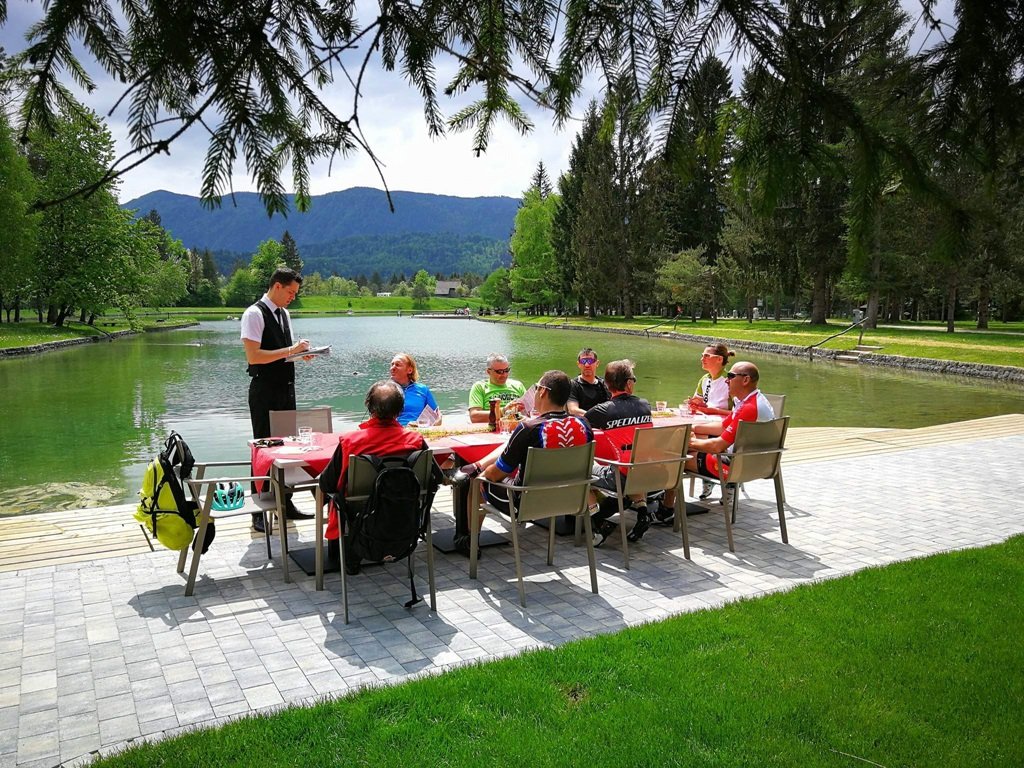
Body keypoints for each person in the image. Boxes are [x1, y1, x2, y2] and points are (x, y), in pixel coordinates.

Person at [454, 370, 593, 555]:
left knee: (476, 480)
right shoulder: (584, 425)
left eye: (536, 388)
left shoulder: (529, 428)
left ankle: (471, 542)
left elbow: (496, 474)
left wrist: (481, 472)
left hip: (524, 503)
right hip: (570, 500)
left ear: (542, 391)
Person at [317, 381, 440, 575]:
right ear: (400, 411)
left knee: (332, 494)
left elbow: (326, 483)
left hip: (358, 511)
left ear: (368, 406)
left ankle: (346, 553)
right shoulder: (415, 439)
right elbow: (436, 478)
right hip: (402, 508)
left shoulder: (351, 441)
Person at [241, 267, 313, 531]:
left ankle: (286, 502)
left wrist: (299, 354)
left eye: (295, 293)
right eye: (291, 292)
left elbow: (282, 353)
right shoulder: (253, 313)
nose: (293, 297)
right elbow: (254, 357)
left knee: (287, 449)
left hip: (286, 389)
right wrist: (290, 350)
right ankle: (258, 509)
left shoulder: (285, 313)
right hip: (264, 391)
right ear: (277, 286)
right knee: (262, 449)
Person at [584, 360, 655, 544]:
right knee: (632, 462)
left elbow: (581, 425)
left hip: (623, 475)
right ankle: (642, 513)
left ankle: (598, 523)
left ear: (607, 385)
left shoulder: (604, 410)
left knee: (580, 471)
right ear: (629, 384)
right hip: (649, 472)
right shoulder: (644, 404)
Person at [685, 361, 776, 482]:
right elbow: (724, 427)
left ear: (746, 380)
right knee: (694, 440)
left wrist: (688, 442)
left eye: (731, 376)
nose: (726, 380)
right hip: (756, 462)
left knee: (677, 459)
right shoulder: (751, 400)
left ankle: (665, 500)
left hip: (738, 468)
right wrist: (692, 428)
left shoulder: (749, 408)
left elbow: (717, 446)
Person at [686, 342, 735, 501]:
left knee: (693, 434)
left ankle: (719, 476)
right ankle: (710, 473)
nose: (702, 358)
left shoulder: (730, 381)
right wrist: (694, 404)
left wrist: (712, 410)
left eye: (706, 356)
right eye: (702, 355)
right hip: (708, 423)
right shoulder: (704, 379)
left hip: (724, 427)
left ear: (719, 359)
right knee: (691, 431)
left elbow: (736, 414)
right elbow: (700, 403)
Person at [467, 353, 526, 423]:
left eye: (506, 370)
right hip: (493, 426)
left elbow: (531, 410)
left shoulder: (518, 385)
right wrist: (504, 411)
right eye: (499, 372)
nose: (504, 375)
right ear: (488, 372)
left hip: (517, 424)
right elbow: (474, 417)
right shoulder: (480, 387)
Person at [390, 353, 443, 426]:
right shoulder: (386, 390)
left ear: (409, 370)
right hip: (394, 431)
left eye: (397, 365)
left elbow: (437, 417)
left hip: (417, 430)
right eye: (392, 364)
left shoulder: (422, 389)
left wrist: (420, 425)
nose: (392, 368)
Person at [567, 347, 611, 417]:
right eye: (583, 361)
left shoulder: (604, 384)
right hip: (583, 424)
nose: (587, 365)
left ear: (597, 363)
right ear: (579, 364)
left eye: (590, 361)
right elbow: (573, 410)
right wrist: (596, 417)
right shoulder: (573, 385)